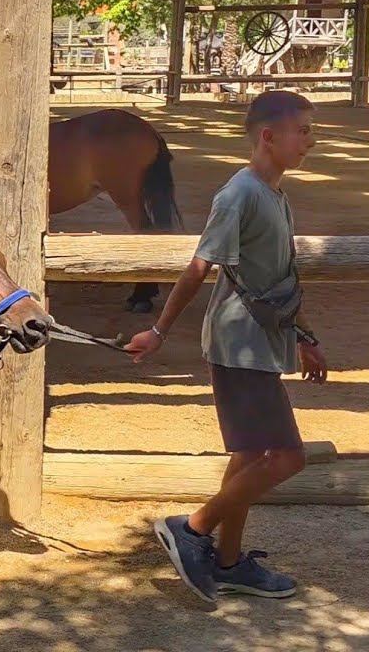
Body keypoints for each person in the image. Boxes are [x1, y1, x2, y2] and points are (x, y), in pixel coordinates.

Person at [124, 90, 330, 603]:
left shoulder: (275, 194)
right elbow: (200, 266)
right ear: (268, 136)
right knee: (287, 457)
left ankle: (231, 561)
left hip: (264, 339)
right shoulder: (239, 194)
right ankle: (192, 529)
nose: (310, 140)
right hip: (239, 343)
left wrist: (306, 337)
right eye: (302, 130)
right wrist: (160, 331)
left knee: (250, 455)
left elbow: (281, 278)